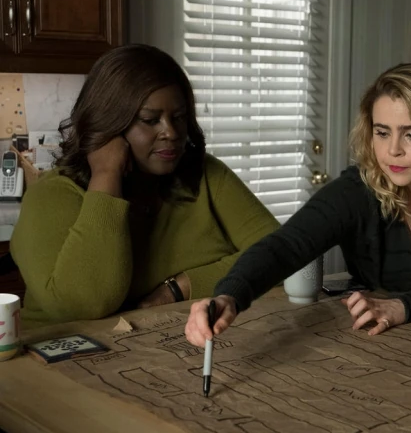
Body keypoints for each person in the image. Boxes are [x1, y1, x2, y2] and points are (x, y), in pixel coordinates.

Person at [184, 62, 411, 346]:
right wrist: (229, 295)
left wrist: (402, 307)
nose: (393, 150)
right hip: (379, 342)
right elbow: (286, 246)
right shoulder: (357, 188)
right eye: (382, 132)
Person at [11, 44, 280, 328]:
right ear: (110, 124)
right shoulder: (50, 196)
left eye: (179, 117)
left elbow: (282, 255)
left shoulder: (205, 174)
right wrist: (106, 174)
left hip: (176, 340)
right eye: (150, 120)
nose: (171, 132)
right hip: (60, 350)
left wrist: (180, 287)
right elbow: (85, 304)